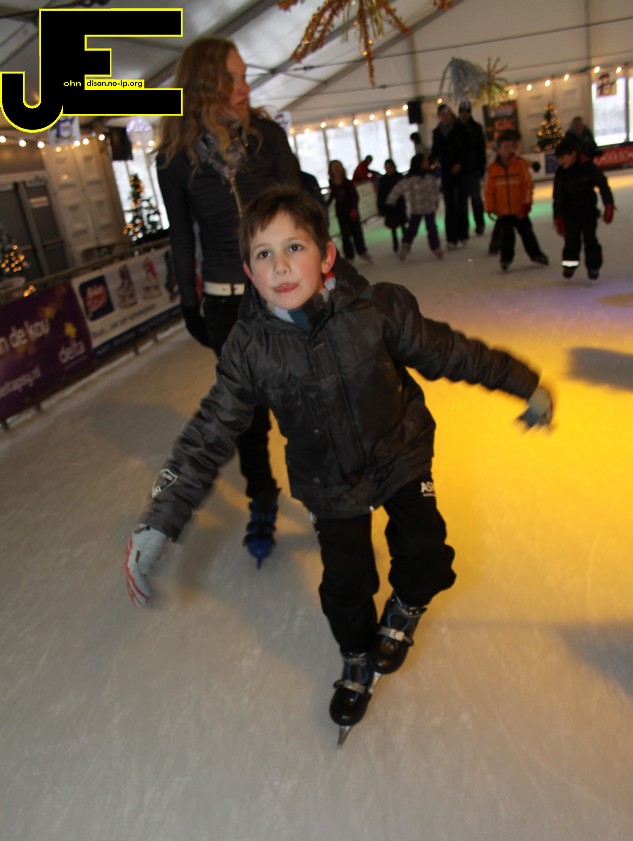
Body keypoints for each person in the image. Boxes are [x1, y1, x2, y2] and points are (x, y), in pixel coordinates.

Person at [124, 185, 554, 738]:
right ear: (249, 274)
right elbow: (207, 434)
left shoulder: (377, 310)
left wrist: (524, 383)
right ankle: (356, 656)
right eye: (263, 254)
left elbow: (451, 352)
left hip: (398, 453)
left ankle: (404, 610)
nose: (280, 266)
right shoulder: (250, 349)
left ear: (326, 255)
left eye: (294, 247)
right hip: (329, 482)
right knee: (347, 587)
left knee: (427, 555)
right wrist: (160, 519)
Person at [155, 36, 300, 565]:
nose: (245, 87)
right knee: (247, 416)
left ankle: (328, 492)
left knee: (304, 400)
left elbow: (301, 212)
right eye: (232, 79)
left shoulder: (267, 138)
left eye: (244, 76)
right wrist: (188, 303)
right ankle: (262, 496)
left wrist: (320, 278)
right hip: (225, 305)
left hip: (283, 294)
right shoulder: (175, 160)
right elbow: (181, 236)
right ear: (205, 86)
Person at [484, 131, 550, 271]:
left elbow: (527, 186)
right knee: (507, 237)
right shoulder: (493, 169)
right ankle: (506, 259)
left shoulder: (519, 165)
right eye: (505, 147)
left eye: (511, 147)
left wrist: (527, 203)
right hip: (503, 211)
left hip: (519, 209)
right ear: (498, 150)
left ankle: (536, 254)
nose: (509, 150)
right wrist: (490, 207)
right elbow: (489, 191)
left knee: (527, 233)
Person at [553, 137, 614, 280]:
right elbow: (558, 198)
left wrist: (609, 205)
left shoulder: (588, 168)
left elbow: (603, 186)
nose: (561, 161)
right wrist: (558, 217)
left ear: (573, 154)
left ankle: (593, 266)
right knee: (571, 240)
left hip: (588, 212)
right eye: (559, 158)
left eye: (563, 157)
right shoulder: (561, 174)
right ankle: (569, 265)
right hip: (569, 214)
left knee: (590, 239)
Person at [385, 153, 443, 261]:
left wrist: (436, 201)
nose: (427, 162)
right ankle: (405, 247)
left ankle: (436, 247)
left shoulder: (430, 176)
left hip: (429, 207)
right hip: (416, 209)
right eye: (424, 160)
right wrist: (390, 202)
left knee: (432, 228)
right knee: (412, 229)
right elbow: (398, 189)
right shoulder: (411, 179)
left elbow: (435, 189)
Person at [429, 103, 471, 247]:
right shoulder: (437, 132)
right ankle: (451, 238)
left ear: (450, 114)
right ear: (439, 116)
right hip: (446, 172)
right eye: (442, 115)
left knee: (461, 203)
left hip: (461, 171)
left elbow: (468, 149)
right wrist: (429, 162)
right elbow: (435, 151)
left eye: (446, 114)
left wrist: (460, 163)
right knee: (449, 205)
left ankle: (463, 235)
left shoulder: (461, 128)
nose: (445, 117)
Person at [327, 160, 372, 263]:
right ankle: (349, 255)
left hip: (351, 211)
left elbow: (354, 196)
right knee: (345, 234)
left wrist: (353, 208)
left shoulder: (348, 182)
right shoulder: (332, 183)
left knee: (356, 231)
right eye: (334, 167)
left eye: (338, 167)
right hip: (341, 211)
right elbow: (333, 195)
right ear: (331, 170)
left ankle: (361, 251)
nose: (337, 169)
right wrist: (325, 205)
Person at [457, 100, 487, 236]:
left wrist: (481, 166)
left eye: (466, 112)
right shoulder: (455, 128)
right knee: (462, 201)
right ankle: (464, 228)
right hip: (460, 171)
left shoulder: (476, 128)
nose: (464, 114)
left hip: (473, 169)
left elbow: (481, 149)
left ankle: (480, 224)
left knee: (476, 199)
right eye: (462, 112)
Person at [376, 158, 407, 253]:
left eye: (389, 167)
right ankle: (395, 244)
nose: (388, 168)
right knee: (393, 226)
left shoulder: (399, 177)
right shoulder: (383, 179)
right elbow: (381, 194)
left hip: (399, 204)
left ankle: (405, 243)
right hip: (390, 206)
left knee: (402, 224)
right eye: (386, 167)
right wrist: (381, 206)